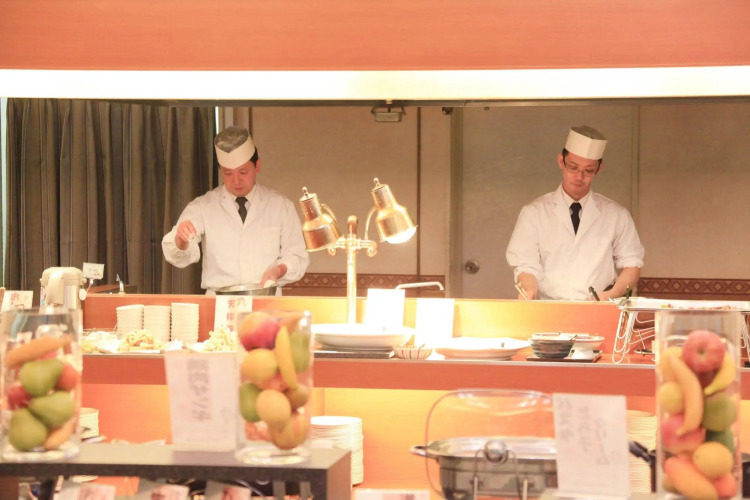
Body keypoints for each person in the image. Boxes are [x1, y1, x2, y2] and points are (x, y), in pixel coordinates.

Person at [162, 126, 310, 294]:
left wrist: (278, 270)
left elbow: (297, 255)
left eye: (243, 172)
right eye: (228, 174)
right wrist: (181, 240)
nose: (236, 181)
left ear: (257, 165)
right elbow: (176, 255)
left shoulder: (281, 206)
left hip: (265, 299)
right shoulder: (203, 206)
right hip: (219, 303)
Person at [506, 125, 644, 301]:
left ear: (599, 168)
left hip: (599, 307)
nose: (579, 176)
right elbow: (525, 265)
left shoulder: (616, 215)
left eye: (588, 170)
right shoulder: (534, 213)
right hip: (551, 307)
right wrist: (529, 291)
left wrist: (611, 294)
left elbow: (632, 264)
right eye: (573, 167)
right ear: (561, 161)